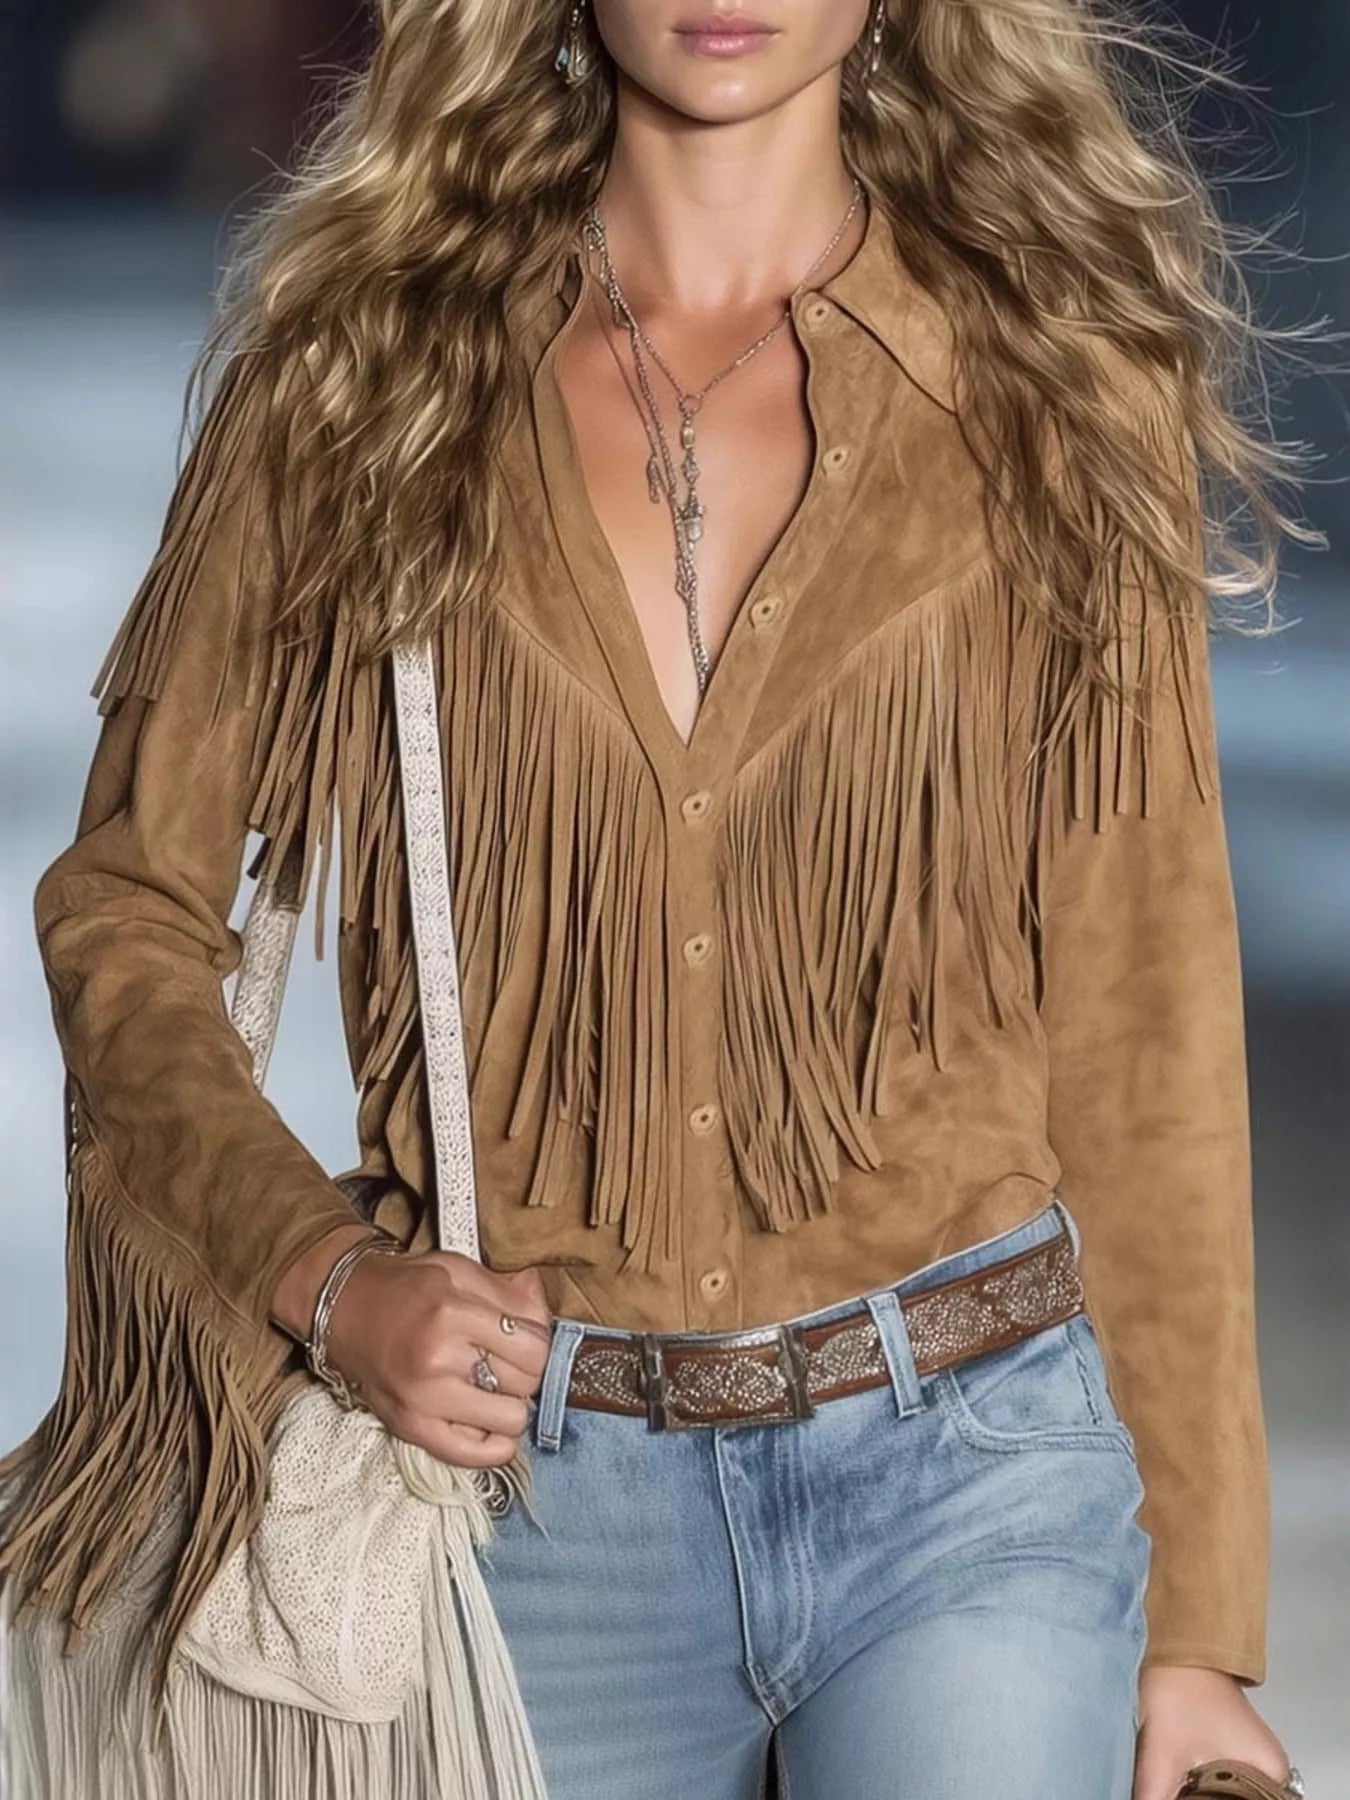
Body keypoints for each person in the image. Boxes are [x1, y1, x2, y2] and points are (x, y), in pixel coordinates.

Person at [0, 2, 1315, 1796]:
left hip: (971, 1472)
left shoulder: (1050, 376)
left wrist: (1194, 1637)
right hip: (530, 1503)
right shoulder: (365, 377)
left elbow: (1143, 1009)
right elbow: (125, 911)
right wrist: (327, 1279)